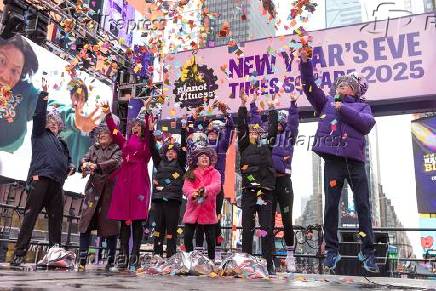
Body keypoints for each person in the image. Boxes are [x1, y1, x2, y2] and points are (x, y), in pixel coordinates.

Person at [300, 50, 379, 273]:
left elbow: (366, 125)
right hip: (334, 161)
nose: (339, 87)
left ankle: (368, 251)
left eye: (345, 85)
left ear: (354, 89)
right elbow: (309, 86)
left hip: (355, 162)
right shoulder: (326, 103)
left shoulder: (362, 107)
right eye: (338, 85)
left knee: (363, 204)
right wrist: (305, 62)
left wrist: (342, 108)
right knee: (331, 205)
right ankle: (332, 250)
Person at [10, 80, 75, 266]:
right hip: (40, 179)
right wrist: (44, 95)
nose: (53, 124)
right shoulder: (39, 134)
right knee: (30, 216)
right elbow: (39, 115)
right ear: (46, 123)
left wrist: (70, 167)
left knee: (56, 221)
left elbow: (69, 160)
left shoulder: (62, 143)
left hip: (57, 184)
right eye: (51, 121)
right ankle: (19, 255)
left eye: (56, 123)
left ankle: (56, 256)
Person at [101, 98, 153, 271]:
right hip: (124, 182)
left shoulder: (147, 142)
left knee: (137, 222)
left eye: (139, 126)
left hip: (139, 181)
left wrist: (145, 110)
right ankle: (122, 259)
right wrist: (108, 114)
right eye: (134, 126)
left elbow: (150, 134)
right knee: (124, 222)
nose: (135, 128)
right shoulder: (125, 142)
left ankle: (135, 259)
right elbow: (115, 132)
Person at [237, 91, 278, 275]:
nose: (256, 132)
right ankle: (246, 261)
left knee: (266, 228)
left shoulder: (268, 144)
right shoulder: (244, 144)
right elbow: (241, 125)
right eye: (253, 130)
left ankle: (268, 263)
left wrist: (272, 108)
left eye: (258, 130)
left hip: (266, 190)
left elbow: (274, 128)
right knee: (247, 227)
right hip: (249, 191)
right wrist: (243, 106)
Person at [77, 123, 122, 271]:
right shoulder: (93, 148)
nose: (101, 136)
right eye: (100, 134)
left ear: (111, 137)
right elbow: (84, 158)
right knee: (85, 224)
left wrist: (96, 166)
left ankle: (110, 261)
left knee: (110, 227)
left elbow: (116, 162)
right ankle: (82, 260)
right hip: (93, 190)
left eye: (105, 134)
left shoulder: (116, 149)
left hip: (109, 191)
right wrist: (84, 164)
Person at [196, 105, 234, 253]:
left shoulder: (222, 146)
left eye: (214, 133)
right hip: (201, 187)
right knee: (199, 218)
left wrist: (226, 114)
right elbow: (193, 136)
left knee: (215, 218)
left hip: (216, 189)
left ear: (218, 134)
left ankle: (216, 251)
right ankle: (198, 251)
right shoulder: (201, 149)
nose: (211, 135)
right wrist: (197, 117)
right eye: (209, 133)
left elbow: (230, 130)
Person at [150, 121, 187, 258]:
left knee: (171, 229)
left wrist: (183, 129)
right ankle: (156, 255)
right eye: (168, 151)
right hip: (159, 199)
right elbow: (152, 148)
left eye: (173, 152)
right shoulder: (159, 162)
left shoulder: (181, 163)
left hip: (173, 200)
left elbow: (184, 147)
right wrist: (150, 132)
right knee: (158, 229)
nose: (170, 153)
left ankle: (171, 256)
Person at [271, 96, 299, 272]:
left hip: (284, 181)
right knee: (267, 223)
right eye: (276, 122)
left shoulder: (289, 136)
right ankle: (269, 259)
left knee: (287, 221)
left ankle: (290, 257)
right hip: (269, 183)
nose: (278, 125)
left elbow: (294, 123)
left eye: (281, 122)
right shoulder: (267, 138)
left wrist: (293, 105)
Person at [49, 79, 100, 167]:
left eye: (82, 98)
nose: (79, 101)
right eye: (76, 96)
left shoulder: (90, 121)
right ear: (71, 96)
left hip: (80, 174)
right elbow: (64, 118)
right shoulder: (63, 111)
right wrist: (75, 122)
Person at [0, 35, 39, 152]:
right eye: (1, 61)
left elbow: (45, 106)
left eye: (15, 71)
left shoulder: (25, 92)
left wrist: (72, 119)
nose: (5, 76)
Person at [182, 147, 221, 260]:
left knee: (210, 239)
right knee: (188, 237)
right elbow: (186, 187)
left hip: (208, 210)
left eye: (206, 156)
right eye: (201, 156)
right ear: (196, 160)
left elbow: (217, 186)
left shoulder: (215, 173)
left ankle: (211, 261)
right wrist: (192, 193)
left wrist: (205, 190)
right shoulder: (191, 173)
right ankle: (189, 260)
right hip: (193, 210)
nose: (205, 158)